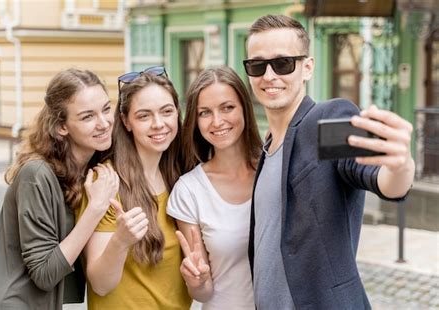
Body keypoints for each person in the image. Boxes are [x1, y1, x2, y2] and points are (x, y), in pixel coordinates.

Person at [243, 14, 415, 309]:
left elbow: (378, 178)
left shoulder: (326, 121)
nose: (269, 76)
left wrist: (401, 166)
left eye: (283, 64)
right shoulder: (267, 147)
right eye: (258, 66)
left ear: (307, 67)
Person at [0, 68, 120, 309]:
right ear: (62, 126)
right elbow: (44, 274)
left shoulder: (89, 168)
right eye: (87, 117)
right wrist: (96, 207)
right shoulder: (37, 174)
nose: (104, 123)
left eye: (106, 109)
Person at [75, 66, 192, 309]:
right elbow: (100, 284)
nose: (158, 124)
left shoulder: (181, 178)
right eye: (144, 116)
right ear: (126, 122)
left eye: (166, 111)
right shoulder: (107, 181)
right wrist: (120, 240)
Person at [167, 66, 263, 309]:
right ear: (195, 120)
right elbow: (204, 292)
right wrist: (196, 281)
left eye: (227, 107)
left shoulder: (272, 171)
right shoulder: (189, 190)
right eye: (205, 112)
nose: (217, 121)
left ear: (244, 108)